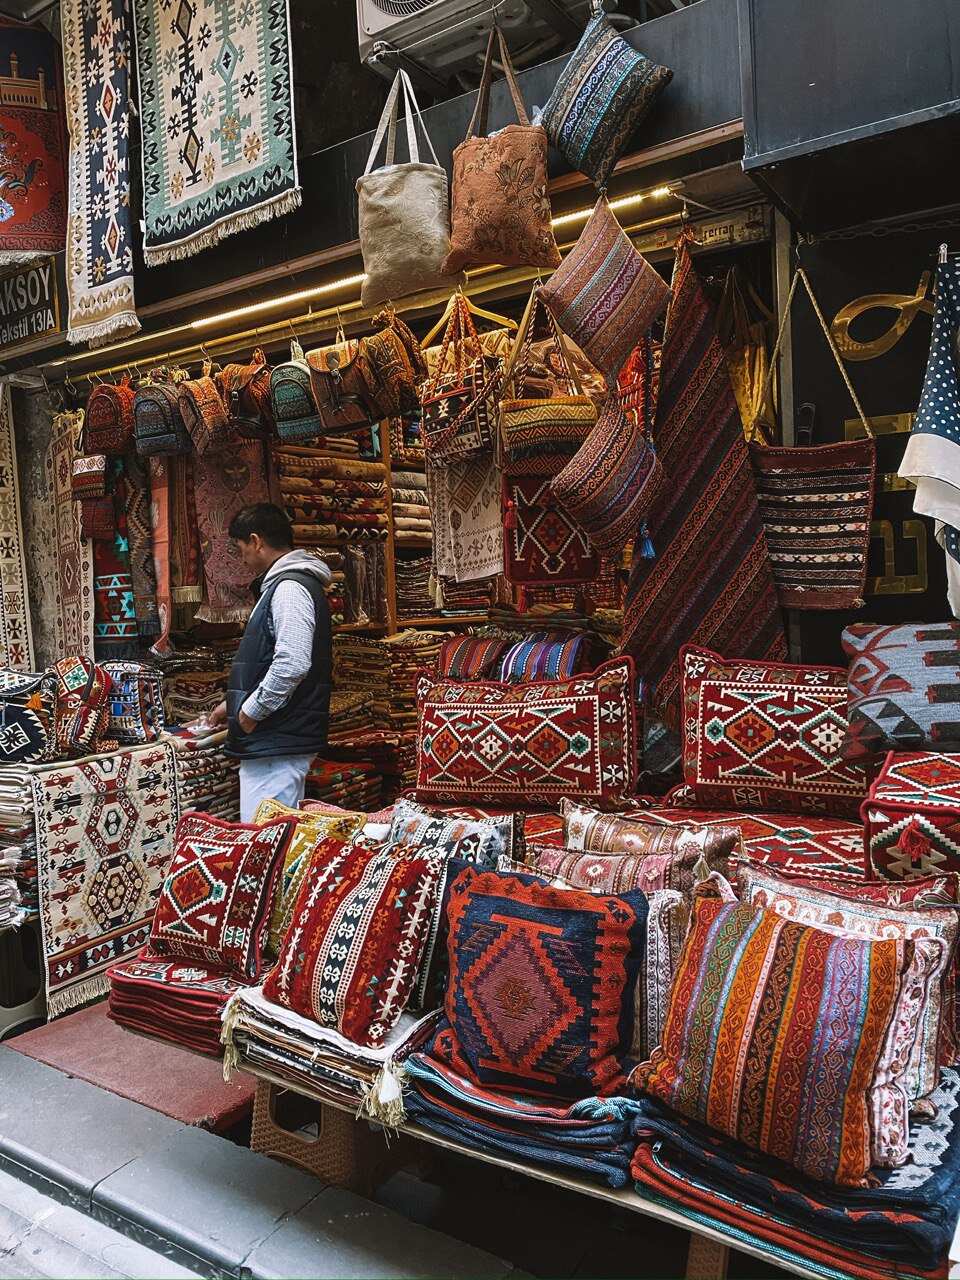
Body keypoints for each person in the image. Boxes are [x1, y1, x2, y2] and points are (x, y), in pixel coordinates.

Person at [206, 503, 332, 821]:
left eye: (241, 549)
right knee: (273, 834)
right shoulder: (284, 585)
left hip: (277, 739)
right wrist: (232, 704)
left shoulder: (290, 588)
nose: (242, 559)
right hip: (277, 738)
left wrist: (250, 712)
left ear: (256, 540)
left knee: (267, 837)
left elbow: (292, 663)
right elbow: (267, 660)